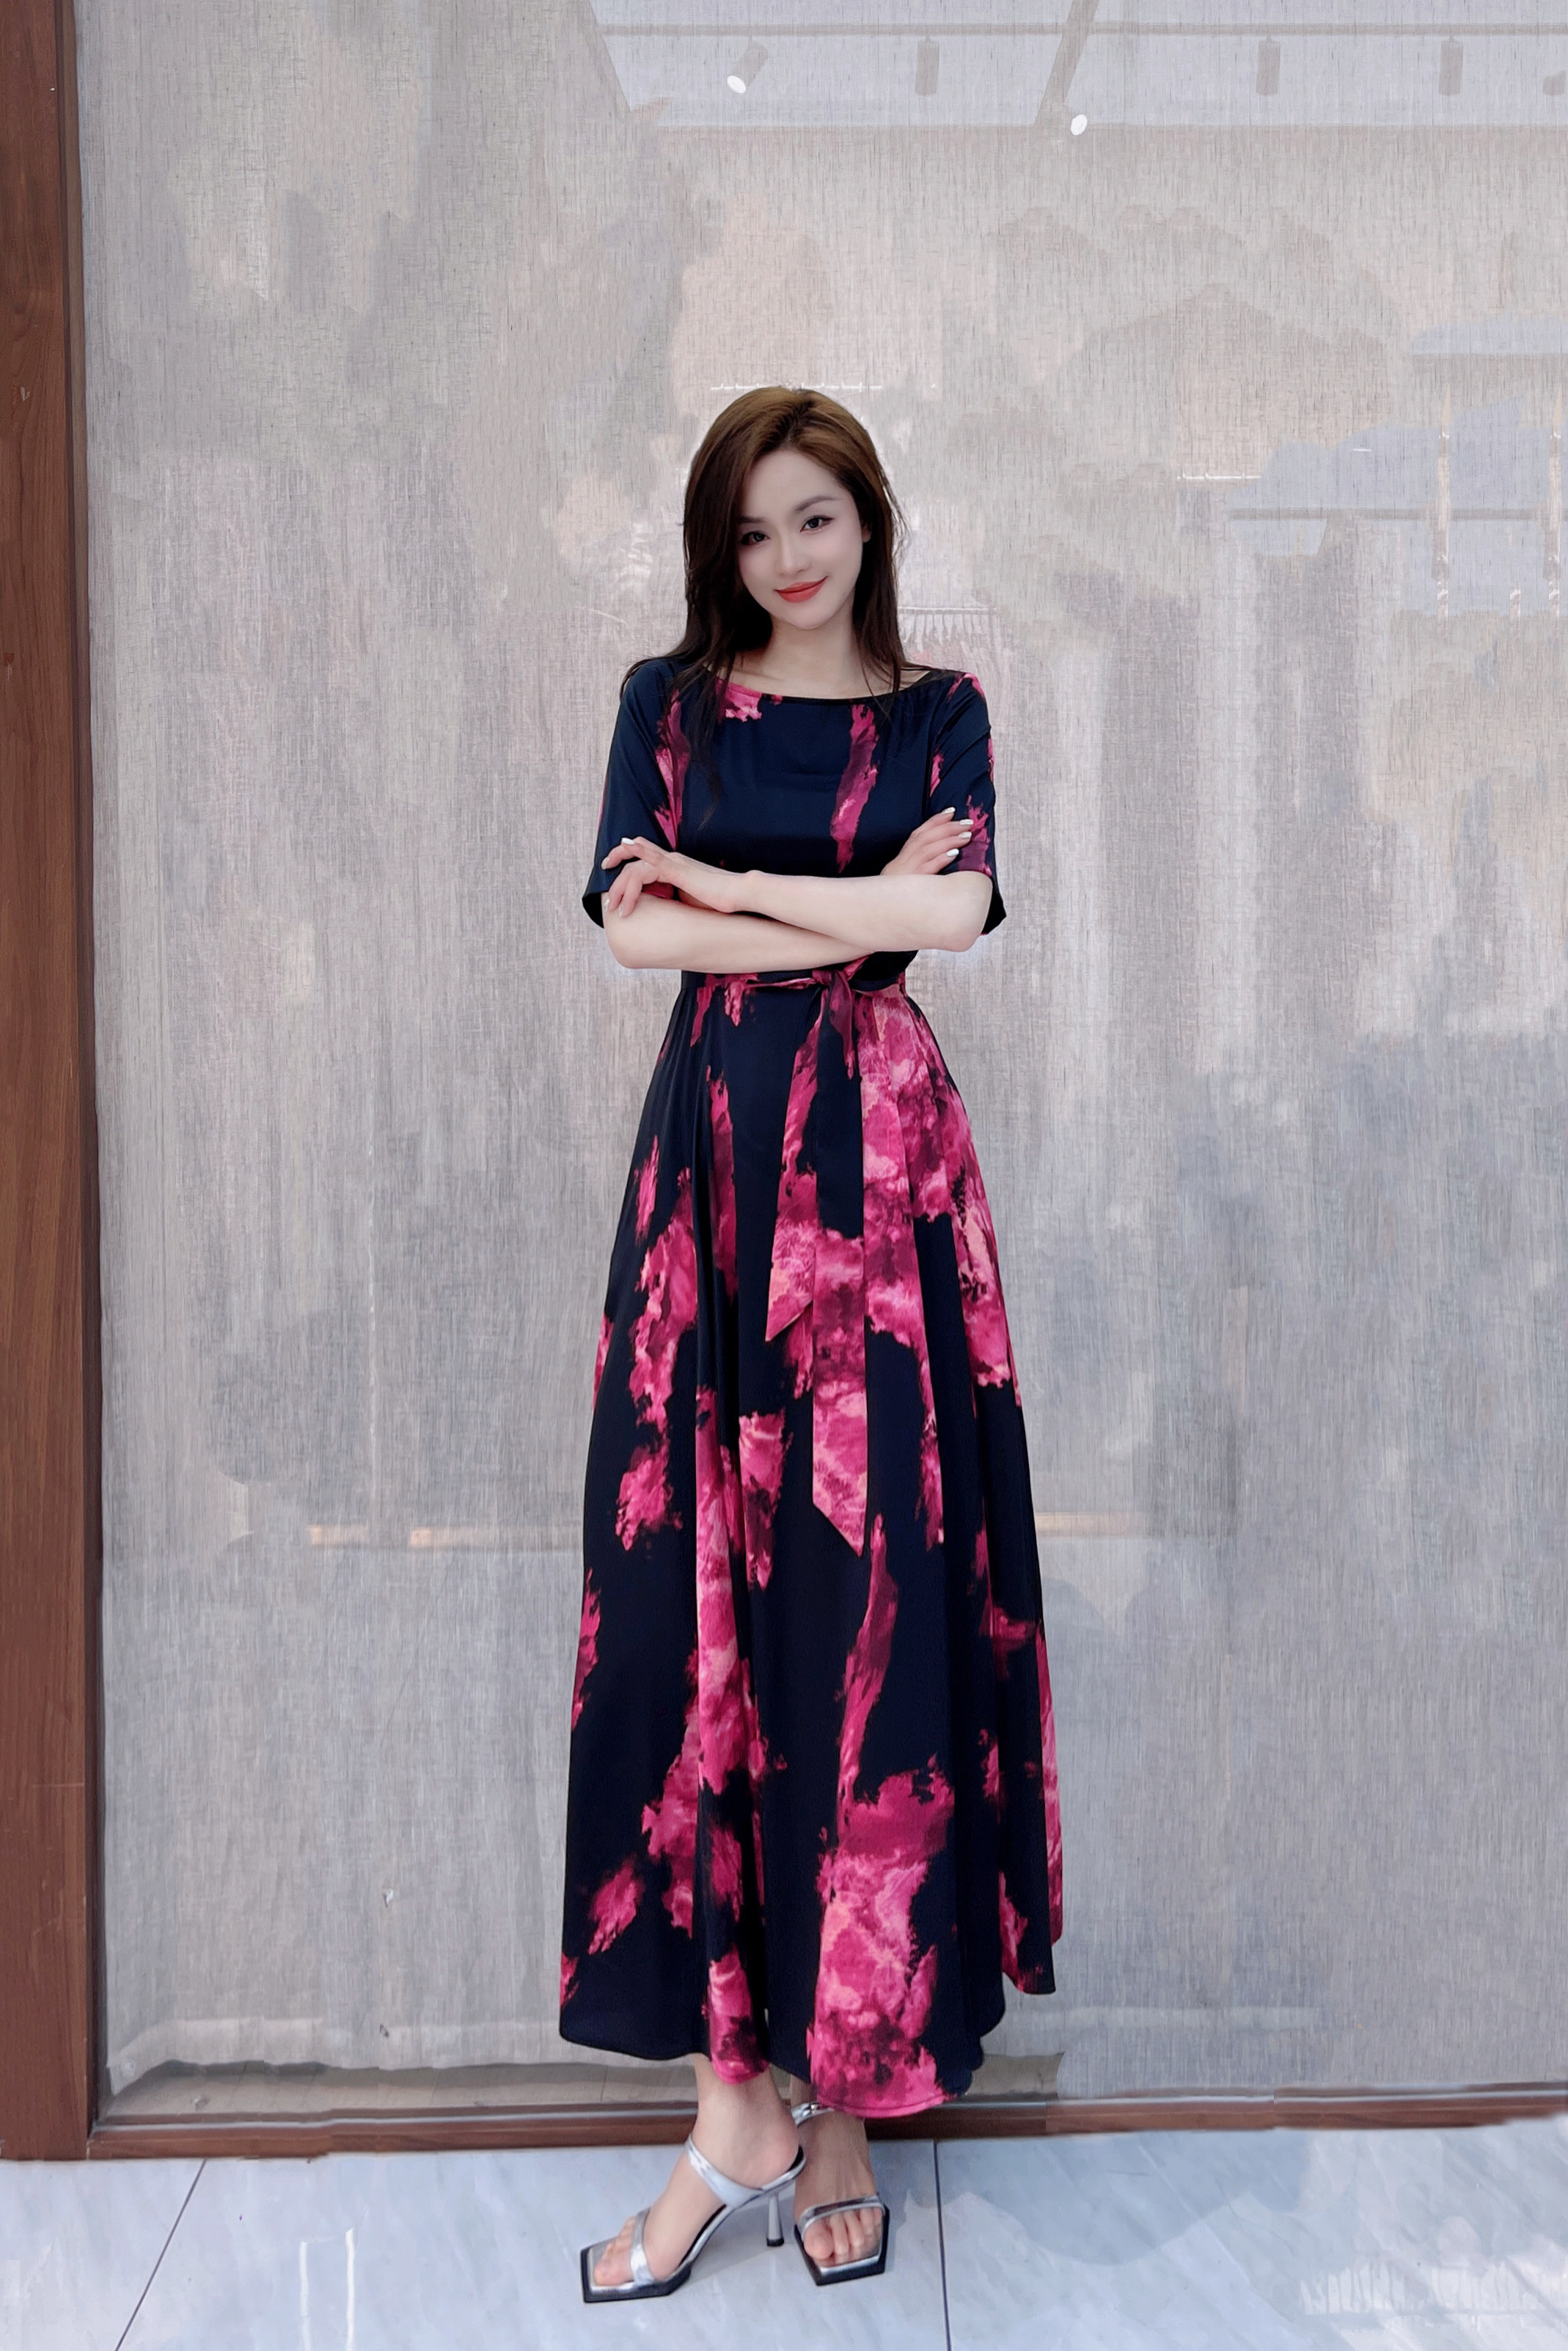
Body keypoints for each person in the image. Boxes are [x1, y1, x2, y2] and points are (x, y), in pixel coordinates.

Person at [560, 387, 1062, 2302]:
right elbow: (634, 937)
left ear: (868, 523)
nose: (786, 558)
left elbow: (958, 910)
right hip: (711, 1169)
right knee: (691, 1605)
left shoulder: (943, 712)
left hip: (878, 1174)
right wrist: (838, 907)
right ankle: (738, 2102)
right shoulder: (667, 706)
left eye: (817, 520)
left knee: (864, 1611)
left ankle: (839, 2097)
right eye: (754, 529)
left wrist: (739, 888)